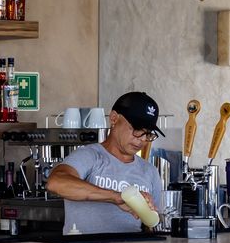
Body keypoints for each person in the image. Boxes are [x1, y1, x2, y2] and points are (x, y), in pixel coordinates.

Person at [46, 91, 166, 235]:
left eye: (148, 133)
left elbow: (153, 225)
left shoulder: (150, 171)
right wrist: (117, 197)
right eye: (136, 129)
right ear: (114, 118)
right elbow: (56, 182)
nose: (142, 139)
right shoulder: (90, 156)